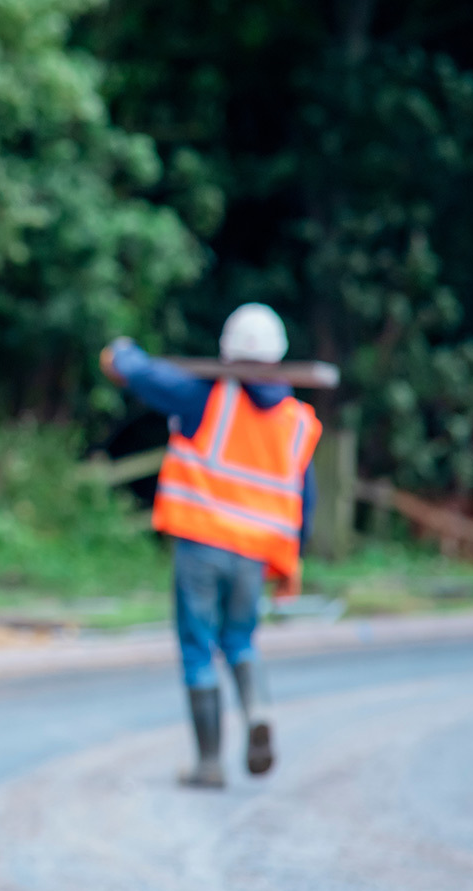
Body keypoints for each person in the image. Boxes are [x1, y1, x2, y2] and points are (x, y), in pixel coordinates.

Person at [100, 303, 320, 788]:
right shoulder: (296, 422)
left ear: (228, 350)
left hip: (202, 544)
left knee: (199, 648)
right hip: (254, 555)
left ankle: (209, 763)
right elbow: (305, 497)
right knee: (240, 640)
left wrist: (121, 354)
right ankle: (258, 710)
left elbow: (143, 374)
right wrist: (292, 561)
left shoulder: (207, 399)